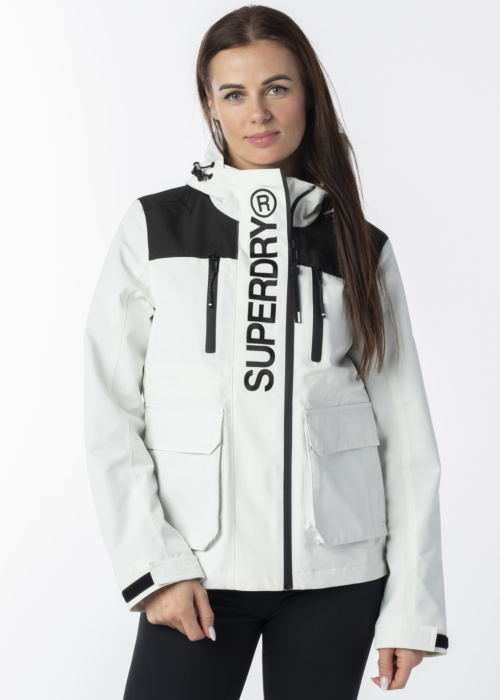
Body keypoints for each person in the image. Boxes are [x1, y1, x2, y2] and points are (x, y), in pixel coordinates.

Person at [83, 6, 449, 699]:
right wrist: (155, 566)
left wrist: (413, 603)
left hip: (337, 579)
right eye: (235, 93)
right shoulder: (155, 228)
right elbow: (110, 410)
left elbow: (407, 440)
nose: (258, 112)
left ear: (308, 94)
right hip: (197, 572)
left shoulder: (361, 248)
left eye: (277, 88)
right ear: (210, 106)